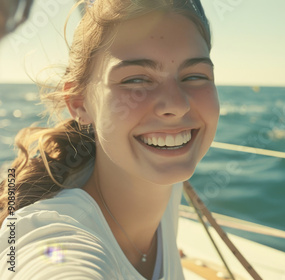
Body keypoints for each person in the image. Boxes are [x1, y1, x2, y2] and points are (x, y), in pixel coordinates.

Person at [0, 0, 219, 279]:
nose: (176, 105)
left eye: (195, 75)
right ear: (79, 103)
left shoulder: (164, 177)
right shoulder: (53, 239)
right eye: (136, 80)